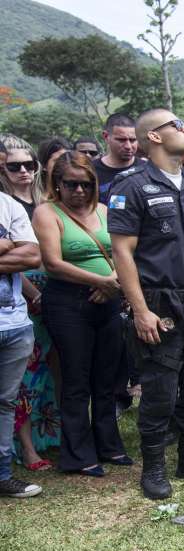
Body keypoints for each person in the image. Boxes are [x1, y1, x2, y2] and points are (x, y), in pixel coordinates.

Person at [108, 109, 184, 499]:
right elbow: (122, 253)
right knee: (160, 389)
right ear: (155, 137)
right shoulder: (132, 187)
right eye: (177, 124)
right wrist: (141, 310)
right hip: (159, 304)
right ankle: (155, 467)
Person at [31, 153, 129, 476]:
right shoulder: (48, 213)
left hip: (108, 299)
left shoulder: (102, 210)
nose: (79, 191)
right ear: (57, 184)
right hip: (68, 302)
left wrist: (114, 284)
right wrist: (100, 280)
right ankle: (78, 454)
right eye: (71, 184)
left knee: (107, 377)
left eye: (86, 184)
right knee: (76, 379)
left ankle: (109, 446)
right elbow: (53, 263)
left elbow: (120, 252)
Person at [2, 138, 58, 472]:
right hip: (22, 294)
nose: (23, 171)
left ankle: (45, 436)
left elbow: (33, 253)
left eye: (29, 164)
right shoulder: (6, 205)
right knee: (23, 378)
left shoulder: (42, 202)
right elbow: (24, 258)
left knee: (49, 371)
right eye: (14, 166)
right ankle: (22, 446)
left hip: (49, 291)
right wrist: (30, 292)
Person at [0, 189, 44, 498]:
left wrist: (14, 247)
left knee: (5, 403)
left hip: (15, 325)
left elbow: (32, 255)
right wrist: (5, 246)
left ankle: (2, 475)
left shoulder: (7, 204)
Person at [93, 114, 139, 205]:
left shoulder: (148, 169)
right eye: (121, 140)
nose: (128, 146)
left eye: (133, 140)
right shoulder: (90, 171)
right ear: (106, 136)